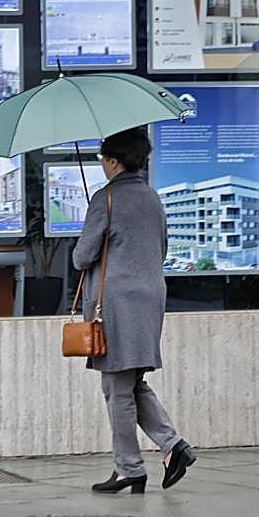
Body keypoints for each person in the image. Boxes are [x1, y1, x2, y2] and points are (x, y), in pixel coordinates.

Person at [71, 126, 195, 494]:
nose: (104, 167)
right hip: (150, 299)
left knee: (117, 388)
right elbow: (161, 249)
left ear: (114, 161)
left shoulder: (104, 199)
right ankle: (174, 447)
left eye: (105, 161)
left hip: (116, 303)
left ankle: (129, 468)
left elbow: (82, 257)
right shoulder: (153, 198)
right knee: (131, 381)